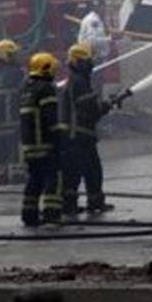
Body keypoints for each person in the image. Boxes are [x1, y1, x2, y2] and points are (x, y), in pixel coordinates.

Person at [60, 44, 114, 216]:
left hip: (75, 136)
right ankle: (93, 202)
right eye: (87, 61)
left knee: (74, 172)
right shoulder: (80, 82)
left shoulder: (75, 80)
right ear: (77, 62)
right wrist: (106, 105)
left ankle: (70, 205)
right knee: (91, 170)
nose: (90, 64)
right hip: (81, 136)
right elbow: (91, 110)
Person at [19, 52, 63, 226]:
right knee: (54, 177)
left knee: (35, 179)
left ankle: (29, 214)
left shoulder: (26, 88)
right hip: (45, 143)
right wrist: (59, 139)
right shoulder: (46, 89)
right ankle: (52, 213)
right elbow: (50, 118)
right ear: (46, 68)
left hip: (30, 145)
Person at [0, 39, 25, 184]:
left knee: (0, 148)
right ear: (6, 56)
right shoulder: (16, 72)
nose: (17, 57)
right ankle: (17, 174)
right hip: (13, 117)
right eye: (13, 54)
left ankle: (0, 176)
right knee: (15, 147)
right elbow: (24, 88)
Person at [76, 0, 113, 64]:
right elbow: (92, 41)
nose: (104, 9)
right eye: (102, 7)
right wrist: (110, 39)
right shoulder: (93, 20)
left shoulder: (98, 19)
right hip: (93, 58)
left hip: (96, 57)